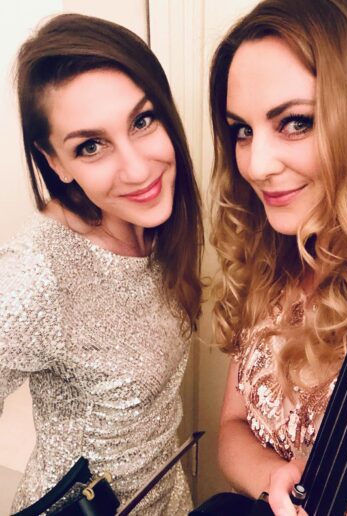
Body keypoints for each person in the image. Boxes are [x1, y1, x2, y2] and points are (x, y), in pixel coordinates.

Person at [0, 13, 203, 515]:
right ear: (55, 161)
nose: (137, 169)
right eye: (91, 146)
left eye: (142, 121)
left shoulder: (156, 223)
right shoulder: (36, 275)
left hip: (168, 497)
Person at [209, 0, 347, 514]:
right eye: (242, 130)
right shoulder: (273, 256)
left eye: (295, 122)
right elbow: (231, 426)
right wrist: (275, 479)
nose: (256, 165)